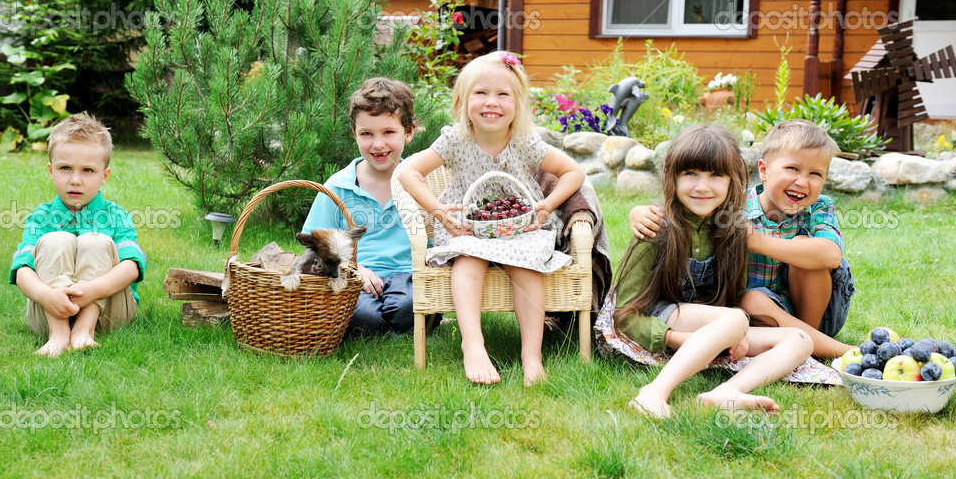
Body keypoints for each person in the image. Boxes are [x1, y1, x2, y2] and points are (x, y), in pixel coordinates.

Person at [398, 51, 585, 386]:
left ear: (518, 104)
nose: (491, 102)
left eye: (503, 94)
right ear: (462, 100)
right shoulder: (455, 140)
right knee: (469, 259)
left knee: (528, 267)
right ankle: (473, 344)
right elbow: (408, 172)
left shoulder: (525, 143)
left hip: (518, 228)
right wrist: (437, 210)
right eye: (480, 93)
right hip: (466, 227)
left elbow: (573, 172)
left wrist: (546, 206)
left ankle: (531, 355)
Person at [610, 124, 813, 419]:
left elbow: (729, 299)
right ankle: (654, 392)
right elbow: (625, 314)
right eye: (690, 173)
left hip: (712, 325)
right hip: (663, 316)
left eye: (715, 175)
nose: (702, 186)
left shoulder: (734, 232)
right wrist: (675, 339)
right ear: (672, 177)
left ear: (733, 181)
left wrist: (734, 333)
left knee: (798, 340)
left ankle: (726, 392)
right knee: (735, 318)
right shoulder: (655, 227)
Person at [630, 119, 854, 358]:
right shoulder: (735, 206)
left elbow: (831, 255)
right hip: (758, 316)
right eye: (792, 169)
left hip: (818, 316)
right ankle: (835, 350)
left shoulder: (819, 207)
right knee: (752, 299)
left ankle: (814, 344)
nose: (802, 181)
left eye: (815, 174)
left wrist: (759, 242)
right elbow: (693, 210)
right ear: (764, 170)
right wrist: (640, 212)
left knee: (806, 250)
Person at [10, 113, 146, 357]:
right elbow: (22, 270)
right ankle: (58, 333)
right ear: (51, 171)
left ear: (104, 176)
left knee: (95, 241)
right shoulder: (40, 217)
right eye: (65, 168)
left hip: (109, 313)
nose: (75, 180)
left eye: (87, 170)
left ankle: (85, 329)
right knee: (55, 239)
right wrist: (46, 295)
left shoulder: (116, 215)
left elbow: (132, 267)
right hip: (48, 310)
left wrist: (93, 290)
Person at [302, 77, 417, 336]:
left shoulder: (418, 183)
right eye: (367, 133)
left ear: (408, 132)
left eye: (389, 132)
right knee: (364, 315)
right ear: (354, 133)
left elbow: (438, 244)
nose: (378, 144)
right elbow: (314, 243)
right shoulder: (339, 186)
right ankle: (380, 327)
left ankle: (407, 321)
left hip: (407, 275)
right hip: (356, 275)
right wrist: (354, 267)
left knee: (405, 306)